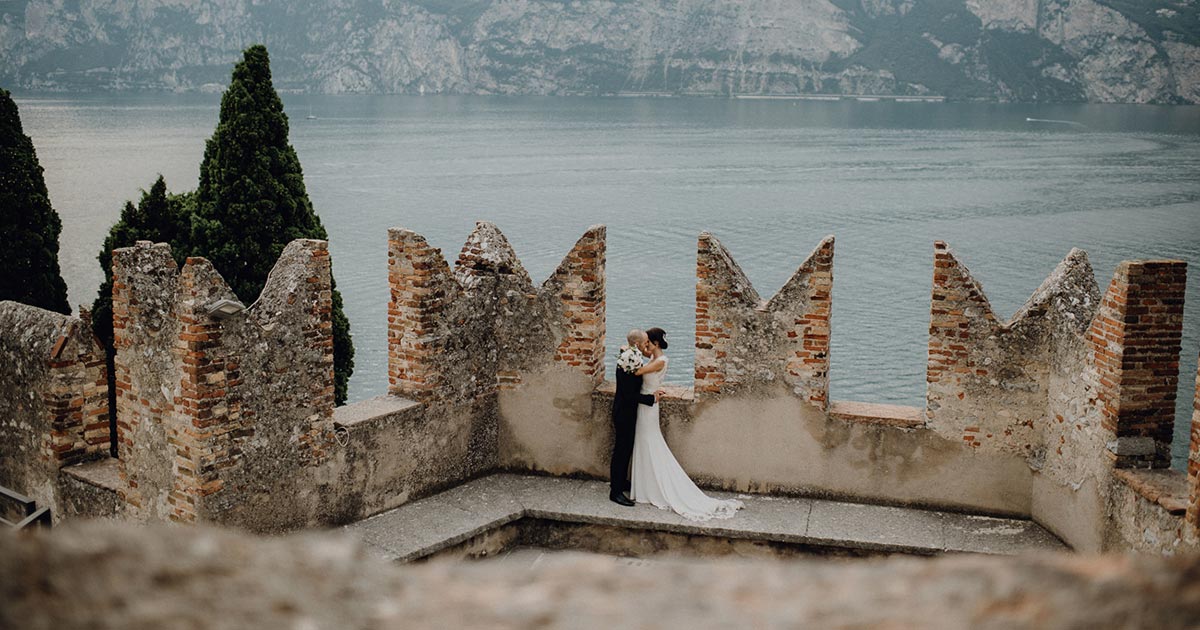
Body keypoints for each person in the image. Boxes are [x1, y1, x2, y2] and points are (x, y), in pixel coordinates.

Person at [630, 327, 744, 521]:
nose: (645, 344)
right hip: (646, 405)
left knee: (649, 441)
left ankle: (654, 488)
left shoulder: (660, 361)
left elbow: (636, 372)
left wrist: (629, 353)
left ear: (656, 343)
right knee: (643, 442)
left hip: (649, 408)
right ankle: (644, 488)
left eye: (647, 341)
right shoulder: (653, 359)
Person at [609, 329, 662, 506]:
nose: (648, 344)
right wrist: (651, 398)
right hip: (624, 412)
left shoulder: (632, 356)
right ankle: (615, 492)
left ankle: (621, 481)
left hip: (628, 411)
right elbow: (628, 395)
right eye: (646, 342)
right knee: (621, 452)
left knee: (626, 450)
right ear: (638, 344)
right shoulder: (629, 359)